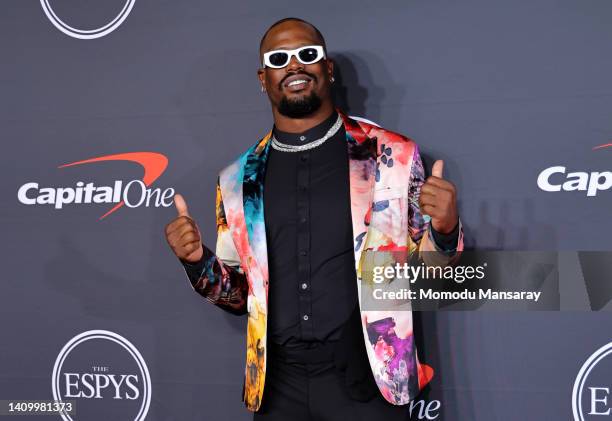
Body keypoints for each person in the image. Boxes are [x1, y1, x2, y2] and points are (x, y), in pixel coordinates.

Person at [165, 17, 464, 420]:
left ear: (327, 68)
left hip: (368, 382)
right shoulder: (236, 180)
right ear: (263, 78)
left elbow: (428, 279)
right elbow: (238, 297)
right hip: (276, 388)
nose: (294, 65)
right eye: (279, 58)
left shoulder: (392, 156)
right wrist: (196, 261)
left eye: (307, 55)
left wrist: (444, 232)